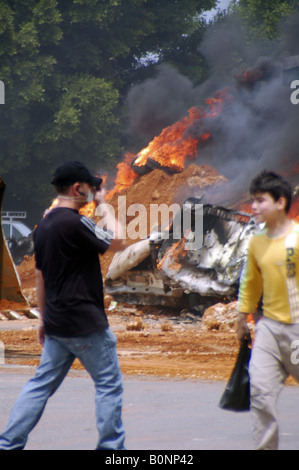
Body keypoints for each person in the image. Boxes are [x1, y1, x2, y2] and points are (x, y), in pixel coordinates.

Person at [0, 161, 126, 450]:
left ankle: (8, 445)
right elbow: (119, 241)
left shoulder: (43, 226)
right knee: (108, 385)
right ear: (77, 188)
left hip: (57, 323)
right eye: (90, 187)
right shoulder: (76, 222)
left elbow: (41, 278)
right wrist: (104, 205)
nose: (92, 192)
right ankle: (112, 451)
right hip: (85, 322)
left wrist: (43, 321)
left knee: (39, 386)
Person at [237, 170, 299, 451]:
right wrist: (241, 318)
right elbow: (251, 282)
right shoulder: (256, 242)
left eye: (260, 201)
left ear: (280, 203)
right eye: (253, 200)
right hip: (269, 330)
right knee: (260, 393)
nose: (254, 206)